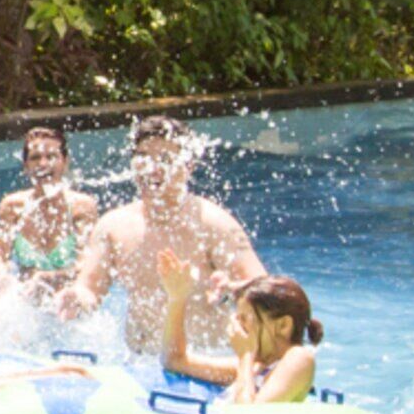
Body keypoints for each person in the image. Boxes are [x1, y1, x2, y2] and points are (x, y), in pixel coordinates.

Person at [63, 115, 266, 360]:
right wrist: (76, 298)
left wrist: (231, 290)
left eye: (165, 159)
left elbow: (265, 292)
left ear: (188, 166)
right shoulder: (113, 226)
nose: (152, 168)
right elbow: (90, 289)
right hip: (139, 363)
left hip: (202, 361)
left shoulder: (214, 225)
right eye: (143, 158)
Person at [162, 274, 322, 404]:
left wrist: (246, 355)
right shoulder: (256, 367)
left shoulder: (299, 358)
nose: (237, 328)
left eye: (244, 319)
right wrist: (177, 298)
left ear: (283, 326)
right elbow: (175, 361)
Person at [0, 126, 100, 304]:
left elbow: (87, 267)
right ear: (26, 166)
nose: (43, 164)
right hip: (27, 306)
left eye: (51, 157)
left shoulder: (82, 207)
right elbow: (0, 260)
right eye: (35, 158)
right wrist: (3, 279)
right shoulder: (12, 207)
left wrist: (48, 278)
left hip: (68, 305)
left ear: (65, 162)